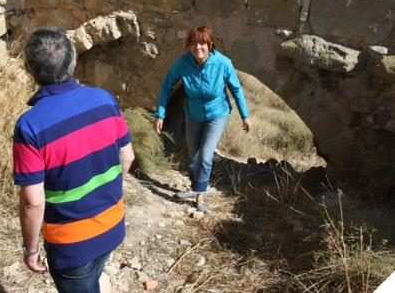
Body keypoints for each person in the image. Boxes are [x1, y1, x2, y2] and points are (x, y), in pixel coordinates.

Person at [13, 27, 134, 293]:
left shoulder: (30, 126)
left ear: (29, 70)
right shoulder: (104, 100)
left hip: (72, 245)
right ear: (74, 62)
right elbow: (127, 156)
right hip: (113, 224)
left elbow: (33, 202)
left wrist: (30, 249)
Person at [155, 26, 251, 212]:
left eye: (202, 43)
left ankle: (200, 196)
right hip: (193, 114)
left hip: (217, 114)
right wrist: (160, 114)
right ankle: (195, 186)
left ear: (210, 44)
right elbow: (167, 85)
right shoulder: (183, 63)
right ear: (189, 46)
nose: (198, 47)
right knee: (194, 156)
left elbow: (236, 89)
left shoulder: (223, 63)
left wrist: (245, 115)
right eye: (193, 43)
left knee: (205, 156)